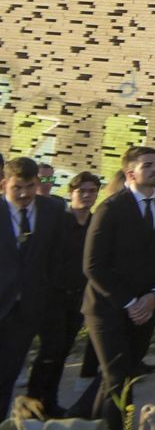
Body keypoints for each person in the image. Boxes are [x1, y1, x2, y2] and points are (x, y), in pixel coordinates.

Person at [82, 146, 155, 430]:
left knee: (122, 376)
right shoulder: (111, 208)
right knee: (118, 379)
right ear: (131, 173)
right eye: (148, 165)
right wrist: (129, 302)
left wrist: (154, 294)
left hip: (147, 307)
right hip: (108, 308)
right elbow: (93, 265)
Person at [27, 170, 100, 416]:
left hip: (79, 298)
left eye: (92, 191)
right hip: (53, 296)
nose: (87, 195)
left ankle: (49, 402)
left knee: (63, 352)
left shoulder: (96, 225)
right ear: (71, 193)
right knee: (51, 350)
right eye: (82, 191)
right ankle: (32, 403)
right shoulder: (59, 221)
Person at [1, 157, 67, 417]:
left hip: (27, 310)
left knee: (8, 374)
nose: (24, 194)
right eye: (17, 187)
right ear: (4, 184)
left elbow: (56, 257)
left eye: (30, 186)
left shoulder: (52, 210)